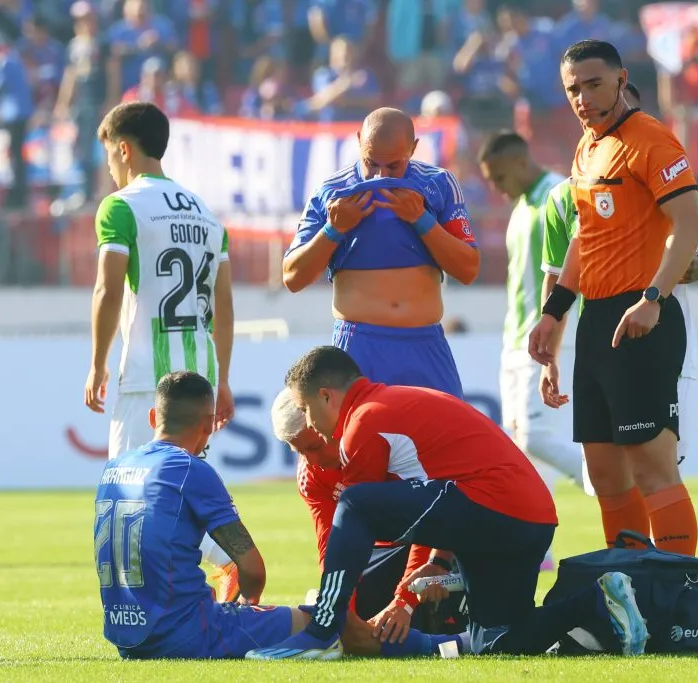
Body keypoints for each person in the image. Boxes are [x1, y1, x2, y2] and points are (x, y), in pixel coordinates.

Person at [247, 347, 649, 660]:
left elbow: (378, 514)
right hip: (529, 520)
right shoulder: (389, 405)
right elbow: (429, 506)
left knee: (354, 504)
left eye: (305, 410)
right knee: (496, 640)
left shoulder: (364, 424)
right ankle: (599, 599)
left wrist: (396, 602)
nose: (309, 422)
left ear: (326, 396)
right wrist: (432, 569)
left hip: (495, 510)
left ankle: (321, 631)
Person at [95, 370, 466, 660]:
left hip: (124, 636)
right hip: (185, 632)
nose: (308, 459)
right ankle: (451, 646)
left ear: (151, 417)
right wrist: (245, 607)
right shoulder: (192, 469)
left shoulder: (113, 468)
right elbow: (252, 570)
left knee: (336, 612)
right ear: (209, 425)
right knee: (325, 627)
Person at [529, 40, 698, 556]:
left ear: (621, 79)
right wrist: (552, 313)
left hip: (643, 316)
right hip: (597, 321)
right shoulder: (587, 148)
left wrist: (654, 297)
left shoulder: (651, 140)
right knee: (605, 472)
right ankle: (630, 588)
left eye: (593, 84)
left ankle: (678, 593)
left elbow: (689, 225)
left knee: (653, 466)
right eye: (572, 89)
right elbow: (586, 237)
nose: (582, 98)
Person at [538, 82, 698, 496]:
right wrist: (550, 336)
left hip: (654, 327)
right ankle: (629, 561)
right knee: (606, 479)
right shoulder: (564, 194)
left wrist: (688, 269)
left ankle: (670, 562)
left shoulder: (667, 170)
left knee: (653, 469)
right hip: (599, 330)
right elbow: (561, 271)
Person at [83, 101, 236, 594]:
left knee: (126, 489)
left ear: (124, 149)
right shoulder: (208, 216)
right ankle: (214, 573)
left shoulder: (122, 206)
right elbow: (225, 305)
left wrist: (97, 363)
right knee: (186, 485)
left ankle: (230, 561)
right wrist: (224, 379)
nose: (109, 168)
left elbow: (108, 290)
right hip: (199, 376)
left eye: (109, 156)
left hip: (148, 374)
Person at [283, 107, 480, 399]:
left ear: (413, 149)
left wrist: (421, 219)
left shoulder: (439, 184)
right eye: (371, 163)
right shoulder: (331, 192)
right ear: (359, 139)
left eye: (393, 167)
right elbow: (293, 277)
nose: (379, 177)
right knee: (360, 443)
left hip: (425, 344)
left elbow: (468, 269)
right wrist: (333, 230)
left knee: (441, 442)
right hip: (359, 347)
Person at [271, 388, 467, 634]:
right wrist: (344, 614)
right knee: (367, 616)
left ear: (327, 422)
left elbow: (430, 518)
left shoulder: (377, 441)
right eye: (300, 452)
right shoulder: (311, 475)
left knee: (432, 606)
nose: (312, 461)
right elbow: (331, 545)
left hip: (438, 536)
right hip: (382, 548)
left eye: (314, 446)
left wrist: (403, 601)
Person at [477, 130, 585, 574]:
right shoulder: (521, 208)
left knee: (531, 438)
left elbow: (572, 272)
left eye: (500, 177)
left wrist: (556, 333)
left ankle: (615, 485)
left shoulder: (558, 197)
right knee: (521, 457)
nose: (497, 189)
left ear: (521, 161)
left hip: (548, 339)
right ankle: (535, 548)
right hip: (515, 341)